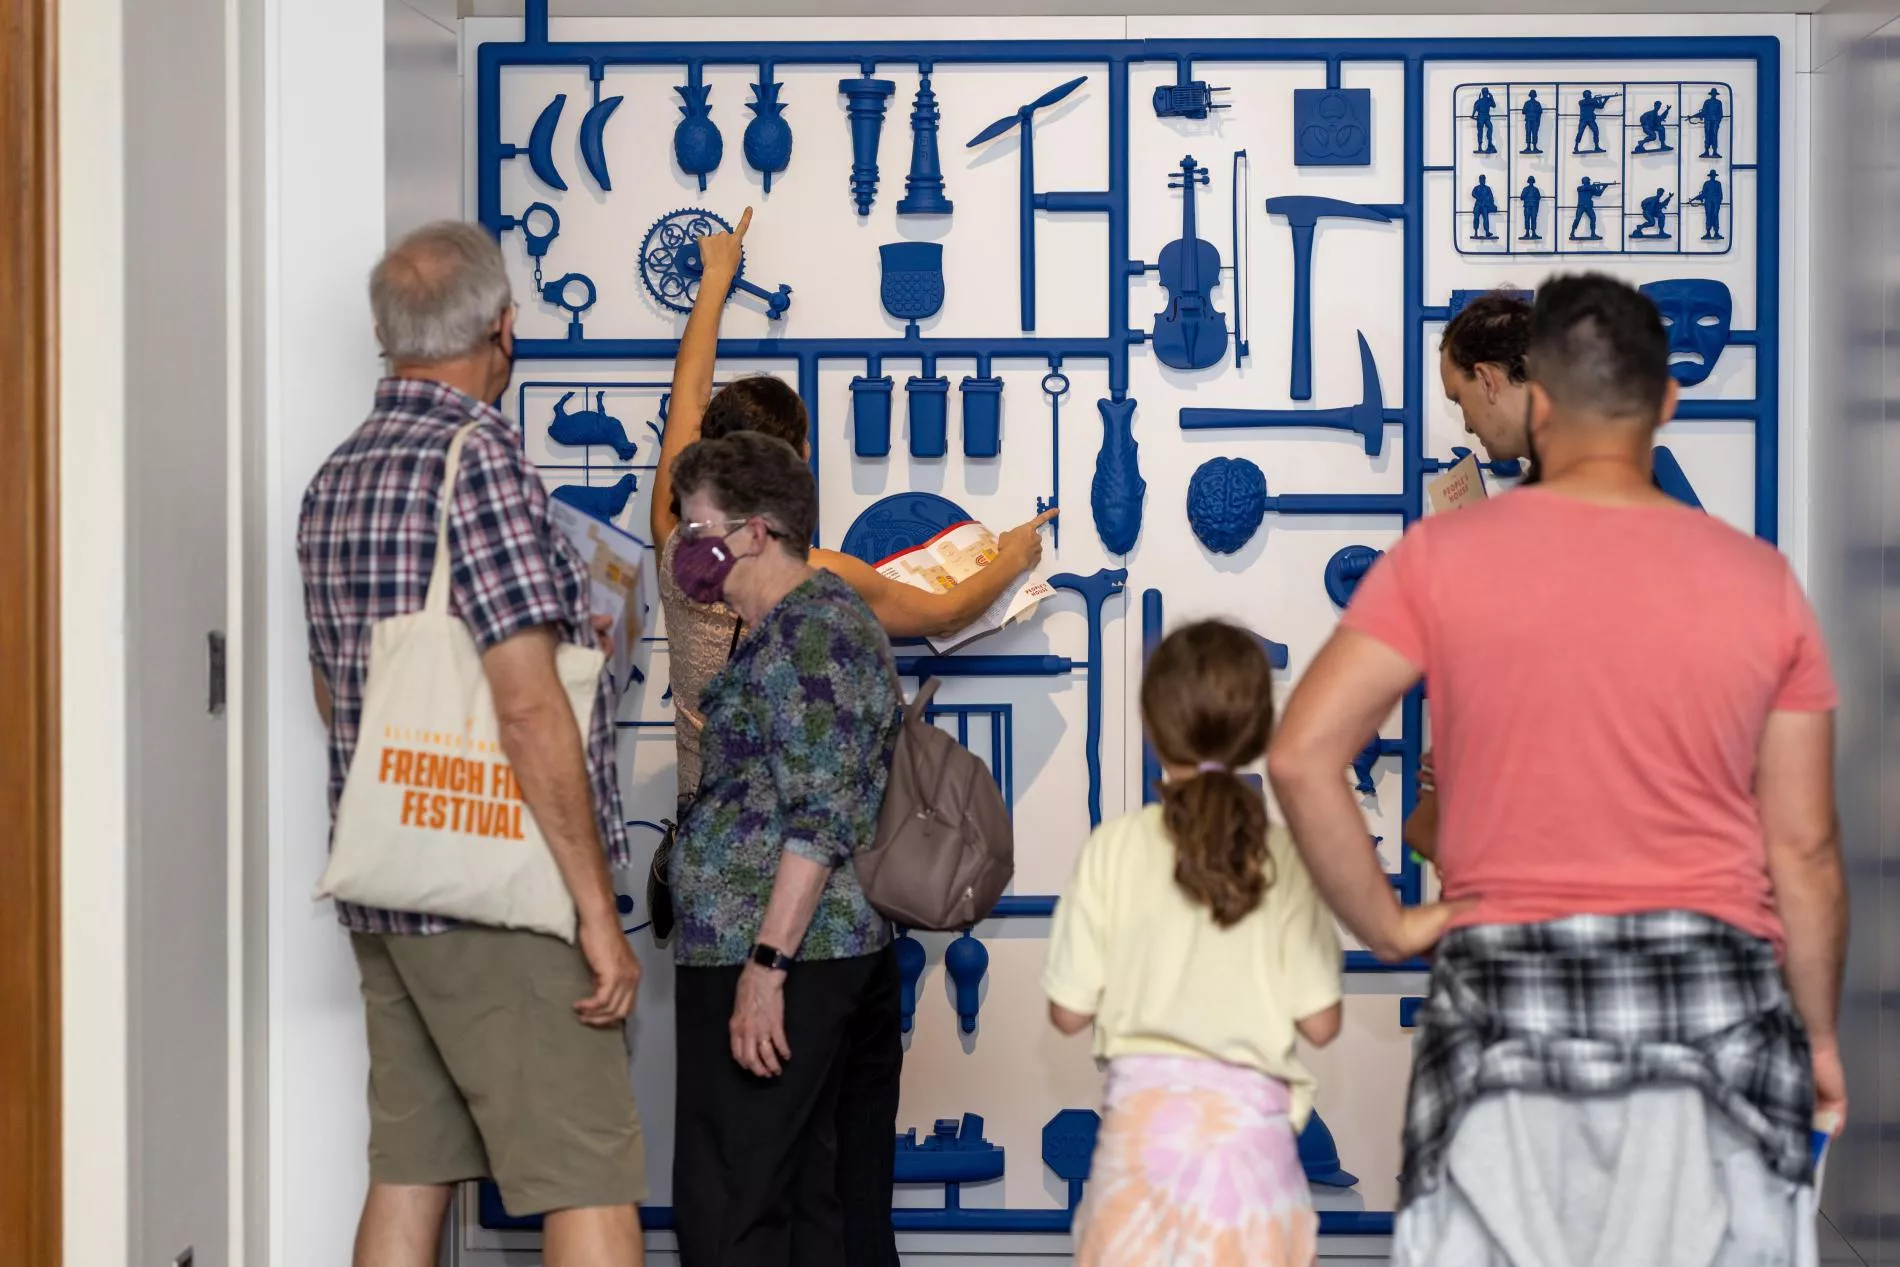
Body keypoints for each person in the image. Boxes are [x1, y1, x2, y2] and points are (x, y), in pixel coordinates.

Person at [1271, 274, 1844, 1262]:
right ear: (1664, 403)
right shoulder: (1760, 583)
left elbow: (1299, 754)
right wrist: (1822, 1040)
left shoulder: (1441, 560)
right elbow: (1803, 848)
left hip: (1504, 999)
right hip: (1710, 1005)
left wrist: (1390, 924)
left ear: (1536, 401)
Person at [299, 221, 646, 1267]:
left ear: (385, 333)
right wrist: (594, 910)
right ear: (502, 331)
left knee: (411, 1171)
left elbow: (335, 690)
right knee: (588, 1177)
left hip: (392, 878)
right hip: (499, 886)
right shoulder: (480, 460)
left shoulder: (337, 476)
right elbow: (529, 705)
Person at [650, 207, 1054, 804]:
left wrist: (715, 278)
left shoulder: (676, 546)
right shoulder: (819, 581)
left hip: (702, 848)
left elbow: (687, 396)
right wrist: (1014, 556)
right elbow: (946, 611)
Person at [666, 430, 905, 1267]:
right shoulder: (784, 628)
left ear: (757, 531)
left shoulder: (817, 631)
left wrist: (765, 968)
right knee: (796, 1205)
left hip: (790, 957)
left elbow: (822, 815)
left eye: (698, 529)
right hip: (776, 954)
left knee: (737, 1206)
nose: (685, 551)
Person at [1044, 620, 1342, 1267]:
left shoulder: (1112, 849)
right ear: (1259, 729)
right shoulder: (1285, 857)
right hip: (1253, 1168)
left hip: (1138, 1158)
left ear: (1152, 726)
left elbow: (1067, 1011)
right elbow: (1322, 1022)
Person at [1571, 176, 1611, 240]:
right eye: (1588, 181)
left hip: (1588, 206)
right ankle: (1572, 233)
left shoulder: (1591, 188)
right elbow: (1585, 187)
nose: (1589, 182)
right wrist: (1594, 186)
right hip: (1581, 206)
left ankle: (1593, 234)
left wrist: (1603, 188)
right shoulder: (1580, 188)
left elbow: (1598, 194)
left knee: (1593, 218)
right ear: (1585, 181)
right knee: (1577, 219)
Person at [1690, 169, 1726, 240]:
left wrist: (1719, 202)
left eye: (1713, 175)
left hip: (1715, 202)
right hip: (1708, 202)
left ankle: (1716, 232)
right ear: (1710, 176)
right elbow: (1703, 193)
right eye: (1712, 175)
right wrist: (1698, 198)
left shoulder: (1718, 183)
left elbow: (1720, 194)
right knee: (1708, 216)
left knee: (1715, 215)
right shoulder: (1706, 183)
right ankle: (1708, 232)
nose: (1713, 177)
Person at [1689, 88, 1725, 157]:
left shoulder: (1718, 102)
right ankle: (1706, 151)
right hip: (1708, 120)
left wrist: (1718, 122)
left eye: (1714, 94)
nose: (1714, 95)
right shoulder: (1707, 102)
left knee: (1714, 135)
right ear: (1711, 94)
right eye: (1713, 94)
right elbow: (1703, 112)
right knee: (1707, 135)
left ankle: (1715, 151)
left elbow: (1720, 113)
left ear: (1715, 95)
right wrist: (1692, 116)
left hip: (1715, 121)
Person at [1469, 175, 1498, 240]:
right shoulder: (1476, 188)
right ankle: (1476, 232)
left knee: (1486, 219)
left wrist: (1492, 204)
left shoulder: (1487, 188)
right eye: (1481, 179)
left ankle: (1487, 232)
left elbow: (1491, 197)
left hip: (1484, 206)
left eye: (1484, 179)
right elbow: (1473, 194)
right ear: (1479, 180)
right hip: (1478, 205)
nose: (1483, 181)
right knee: (1476, 218)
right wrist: (1478, 197)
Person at [1472, 86, 1497, 154]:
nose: (1486, 93)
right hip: (1480, 117)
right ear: (1483, 93)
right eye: (1485, 92)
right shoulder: (1479, 101)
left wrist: (1491, 97)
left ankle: (1490, 143)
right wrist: (1473, 115)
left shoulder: (1489, 100)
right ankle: (1480, 147)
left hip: (1486, 116)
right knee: (1480, 131)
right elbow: (1475, 109)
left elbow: (1494, 105)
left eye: (1487, 92)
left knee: (1490, 128)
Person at [1520, 88, 1544, 153]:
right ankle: (1528, 147)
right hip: (1528, 120)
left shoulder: (1537, 103)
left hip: (1535, 121)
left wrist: (1536, 117)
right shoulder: (1527, 103)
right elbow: (1523, 111)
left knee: (1534, 133)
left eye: (1533, 94)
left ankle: (1535, 147)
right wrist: (1529, 112)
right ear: (1530, 95)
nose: (1532, 95)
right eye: (1532, 94)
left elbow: (1540, 111)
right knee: (1528, 133)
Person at [1518, 175, 1543, 240]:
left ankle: (1534, 232)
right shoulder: (1525, 189)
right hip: (1527, 206)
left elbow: (1538, 198)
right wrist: (1526, 195)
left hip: (1534, 206)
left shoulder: (1536, 189)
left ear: (1533, 181)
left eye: (1532, 181)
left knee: (1534, 219)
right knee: (1527, 219)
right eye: (1530, 180)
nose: (1531, 182)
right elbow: (1521, 197)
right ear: (1528, 181)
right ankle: (1527, 232)